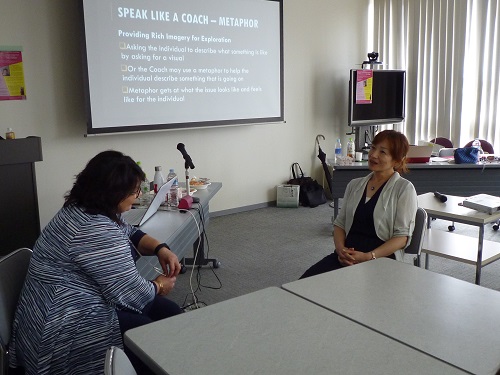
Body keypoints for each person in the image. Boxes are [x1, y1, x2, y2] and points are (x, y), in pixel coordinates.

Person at [9, 150, 183, 374]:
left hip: (47, 311)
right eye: (133, 191)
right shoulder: (95, 229)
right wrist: (160, 285)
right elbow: (133, 294)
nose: (138, 196)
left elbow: (127, 231)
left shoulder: (78, 210)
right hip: (61, 327)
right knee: (148, 338)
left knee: (169, 315)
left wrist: (160, 248)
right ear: (112, 193)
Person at [300, 130, 417, 279]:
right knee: (304, 284)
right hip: (347, 257)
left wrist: (369, 256)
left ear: (397, 161)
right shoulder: (354, 185)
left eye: (382, 152)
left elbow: (402, 238)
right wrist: (341, 250)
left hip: (380, 259)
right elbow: (340, 224)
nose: (374, 155)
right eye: (373, 148)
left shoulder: (404, 189)